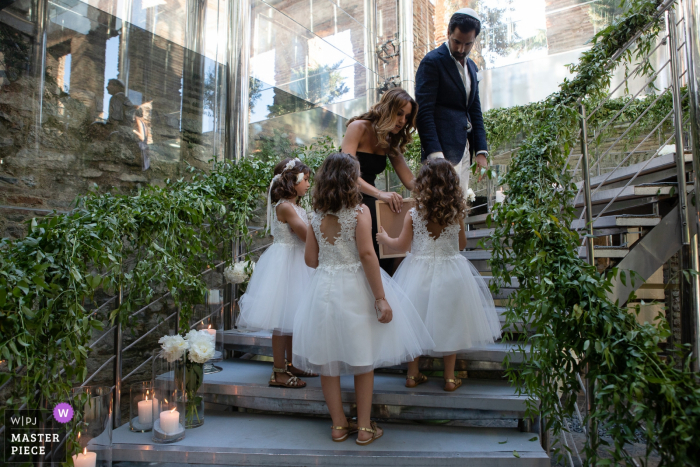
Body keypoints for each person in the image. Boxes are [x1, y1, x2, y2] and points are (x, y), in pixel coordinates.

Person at [292, 153, 433, 444]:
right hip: (355, 289)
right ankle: (366, 427)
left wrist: (331, 259)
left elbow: (310, 260)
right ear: (349, 179)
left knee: (328, 361)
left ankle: (339, 425)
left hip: (324, 289)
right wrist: (380, 298)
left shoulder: (316, 216)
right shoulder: (359, 212)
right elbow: (368, 255)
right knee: (363, 357)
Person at [376, 159, 501, 391]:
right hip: (451, 272)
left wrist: (385, 239)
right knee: (451, 322)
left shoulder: (414, 214)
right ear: (451, 184)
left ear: (423, 184)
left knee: (415, 321)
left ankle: (413, 375)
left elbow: (401, 244)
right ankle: (450, 378)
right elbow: (462, 245)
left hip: (418, 273)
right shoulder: (456, 214)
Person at [237, 158, 317, 388]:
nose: (308, 184)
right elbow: (305, 235)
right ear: (292, 180)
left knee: (292, 316)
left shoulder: (298, 207)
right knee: (282, 321)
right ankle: (279, 371)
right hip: (287, 264)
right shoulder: (284, 206)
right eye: (305, 179)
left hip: (297, 262)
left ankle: (292, 364)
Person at [341, 88, 418, 273]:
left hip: (369, 199)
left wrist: (439, 189)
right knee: (377, 218)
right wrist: (381, 194)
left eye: (407, 117)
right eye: (399, 113)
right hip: (346, 196)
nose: (402, 121)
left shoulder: (390, 140)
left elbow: (410, 180)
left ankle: (386, 283)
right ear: (387, 108)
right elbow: (347, 175)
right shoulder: (358, 127)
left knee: (394, 226)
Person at [415, 8, 490, 194]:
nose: (461, 49)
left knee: (460, 209)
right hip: (441, 154)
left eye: (468, 44)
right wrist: (436, 157)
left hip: (464, 149)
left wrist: (481, 151)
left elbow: (474, 110)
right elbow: (424, 113)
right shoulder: (432, 62)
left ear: (474, 40)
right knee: (441, 213)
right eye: (456, 42)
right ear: (448, 32)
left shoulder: (472, 67)